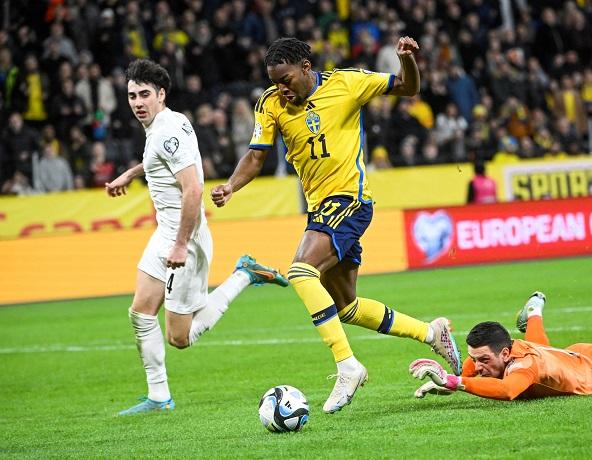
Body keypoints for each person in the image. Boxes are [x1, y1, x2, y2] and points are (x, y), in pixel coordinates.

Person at [210, 37, 462, 414]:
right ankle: (431, 332)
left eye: (286, 80)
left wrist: (407, 61)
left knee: (300, 271)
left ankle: (347, 365)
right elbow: (256, 156)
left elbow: (407, 87)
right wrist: (231, 185)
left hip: (350, 200)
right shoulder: (270, 103)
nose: (281, 89)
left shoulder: (347, 83)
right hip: (319, 210)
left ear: (306, 68)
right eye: (274, 82)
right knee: (346, 307)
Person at [105, 59, 288, 415]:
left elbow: (193, 189)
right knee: (141, 312)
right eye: (132, 95)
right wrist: (132, 173)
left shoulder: (166, 132)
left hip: (184, 240)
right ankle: (159, 397)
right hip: (166, 233)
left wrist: (179, 245)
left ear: (161, 94)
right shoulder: (168, 122)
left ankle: (244, 275)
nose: (137, 102)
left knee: (180, 337)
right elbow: (160, 161)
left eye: (144, 94)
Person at [410, 244, 592, 400]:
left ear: (505, 354)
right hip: (567, 358)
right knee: (541, 355)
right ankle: (534, 311)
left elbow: (507, 390)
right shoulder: (488, 355)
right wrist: (446, 382)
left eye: (483, 360)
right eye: (475, 359)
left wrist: (454, 382)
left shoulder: (524, 365)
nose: (477, 366)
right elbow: (463, 378)